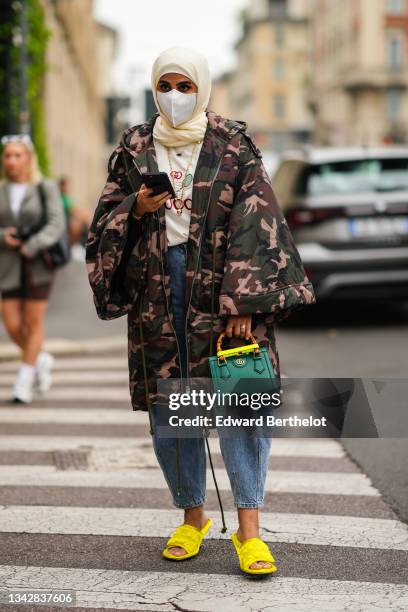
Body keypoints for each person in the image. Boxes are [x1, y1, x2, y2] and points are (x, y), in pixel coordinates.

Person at [86, 47, 315, 575]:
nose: (174, 94)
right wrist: (135, 209)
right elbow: (103, 222)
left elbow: (258, 220)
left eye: (184, 85)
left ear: (201, 87)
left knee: (242, 405)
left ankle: (250, 531)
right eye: (165, 84)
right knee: (174, 412)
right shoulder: (136, 146)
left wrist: (245, 302)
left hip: (223, 290)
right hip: (158, 289)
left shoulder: (233, 144)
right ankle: (193, 518)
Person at [0, 134, 66, 403]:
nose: (12, 161)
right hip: (8, 265)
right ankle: (40, 359)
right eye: (8, 156)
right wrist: (3, 235)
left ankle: (24, 381)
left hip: (38, 264)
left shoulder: (45, 187)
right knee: (13, 324)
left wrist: (33, 244)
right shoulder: (1, 190)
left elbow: (56, 223)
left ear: (28, 158)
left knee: (32, 322)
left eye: (18, 155)